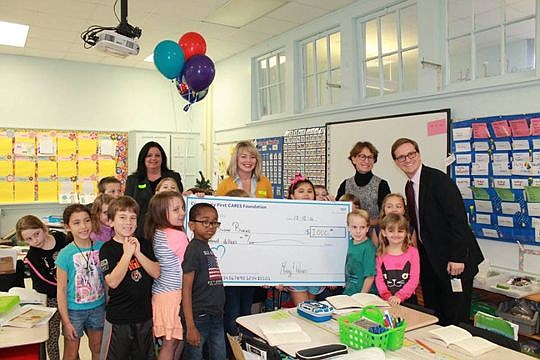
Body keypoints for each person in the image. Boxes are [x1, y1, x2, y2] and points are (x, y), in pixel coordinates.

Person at [391, 137, 484, 325]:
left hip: (455, 262)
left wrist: (457, 257)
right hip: (433, 263)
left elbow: (458, 220)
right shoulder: (409, 186)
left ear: (418, 154)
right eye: (401, 157)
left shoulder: (438, 180)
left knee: (455, 320)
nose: (407, 159)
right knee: (435, 317)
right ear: (396, 162)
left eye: (411, 154)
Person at [99, 196, 160, 360]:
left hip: (144, 317)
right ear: (111, 222)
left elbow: (156, 272)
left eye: (133, 218)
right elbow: (112, 281)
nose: (128, 222)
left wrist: (138, 252)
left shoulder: (144, 244)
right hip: (119, 319)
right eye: (122, 217)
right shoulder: (107, 249)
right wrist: (127, 254)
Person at [56, 205, 105, 360]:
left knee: (97, 348)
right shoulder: (65, 254)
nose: (83, 226)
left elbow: (107, 280)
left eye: (86, 221)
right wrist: (66, 322)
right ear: (67, 227)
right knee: (71, 352)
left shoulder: (101, 248)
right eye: (76, 223)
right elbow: (61, 290)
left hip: (98, 307)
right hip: (74, 311)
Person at [145, 191, 189, 360]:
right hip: (174, 295)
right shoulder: (177, 235)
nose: (183, 213)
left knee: (172, 342)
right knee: (171, 344)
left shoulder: (157, 232)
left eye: (183, 208)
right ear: (162, 213)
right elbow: (189, 265)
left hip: (161, 295)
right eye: (176, 210)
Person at [16, 215, 68, 360]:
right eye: (29, 239)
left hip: (72, 293)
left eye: (36, 234)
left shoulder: (61, 238)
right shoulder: (32, 256)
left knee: (72, 332)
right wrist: (65, 286)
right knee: (52, 335)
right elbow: (45, 282)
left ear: (44, 228)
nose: (35, 240)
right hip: (50, 298)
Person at [182, 203, 226, 360]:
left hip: (216, 316)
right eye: (205, 221)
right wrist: (190, 326)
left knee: (220, 355)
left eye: (214, 222)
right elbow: (186, 290)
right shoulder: (193, 249)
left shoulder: (205, 247)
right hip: (199, 317)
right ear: (192, 225)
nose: (211, 226)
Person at [125, 141, 183, 236]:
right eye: (149, 155)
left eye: (157, 155)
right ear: (143, 158)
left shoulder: (174, 177)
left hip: (168, 228)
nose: (153, 158)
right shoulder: (133, 180)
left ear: (162, 158)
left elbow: (180, 199)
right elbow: (127, 205)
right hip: (142, 230)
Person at [286, 173, 324, 305]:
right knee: (302, 308)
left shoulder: (322, 214)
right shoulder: (284, 216)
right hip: (295, 271)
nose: (306, 194)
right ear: (292, 196)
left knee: (310, 308)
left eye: (309, 191)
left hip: (315, 270)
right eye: (301, 191)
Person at [222, 189, 252, 343]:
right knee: (232, 314)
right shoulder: (223, 227)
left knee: (246, 314)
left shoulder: (252, 225)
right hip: (230, 280)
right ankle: (233, 347)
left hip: (249, 278)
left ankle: (244, 345)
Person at [336, 141, 391, 225]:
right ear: (353, 159)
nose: (366, 160)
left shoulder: (382, 185)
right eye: (362, 156)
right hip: (349, 234)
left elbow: (386, 216)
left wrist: (365, 223)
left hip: (374, 234)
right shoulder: (345, 185)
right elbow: (338, 213)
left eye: (370, 157)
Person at [375, 213, 419, 306]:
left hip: (409, 301)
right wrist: (387, 296)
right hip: (386, 301)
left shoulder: (413, 252)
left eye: (400, 231)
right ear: (384, 232)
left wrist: (400, 296)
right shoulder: (380, 255)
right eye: (391, 231)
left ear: (406, 233)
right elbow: (379, 279)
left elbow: (414, 279)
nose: (396, 234)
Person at [343, 209, 376, 296]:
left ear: (367, 228)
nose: (358, 231)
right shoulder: (349, 243)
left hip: (364, 294)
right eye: (354, 227)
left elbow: (370, 276)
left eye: (362, 227)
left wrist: (362, 296)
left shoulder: (369, 248)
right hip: (349, 292)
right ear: (348, 227)